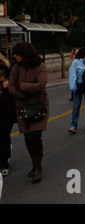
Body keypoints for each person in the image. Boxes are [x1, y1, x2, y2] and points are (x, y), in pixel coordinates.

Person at [7, 42, 49, 183]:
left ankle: (38, 167)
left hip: (37, 106)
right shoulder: (16, 68)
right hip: (21, 107)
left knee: (35, 137)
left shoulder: (40, 66)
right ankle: (34, 163)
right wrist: (22, 95)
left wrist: (21, 86)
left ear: (24, 54)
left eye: (17, 54)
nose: (14, 56)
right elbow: (10, 87)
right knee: (27, 137)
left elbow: (40, 86)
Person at [68, 47, 85, 134]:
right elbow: (72, 75)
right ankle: (74, 125)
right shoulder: (76, 62)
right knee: (76, 106)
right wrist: (73, 87)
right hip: (79, 86)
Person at [0, 54, 15, 176]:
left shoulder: (7, 69)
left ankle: (4, 163)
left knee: (3, 135)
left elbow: (14, 86)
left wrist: (7, 86)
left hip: (4, 108)